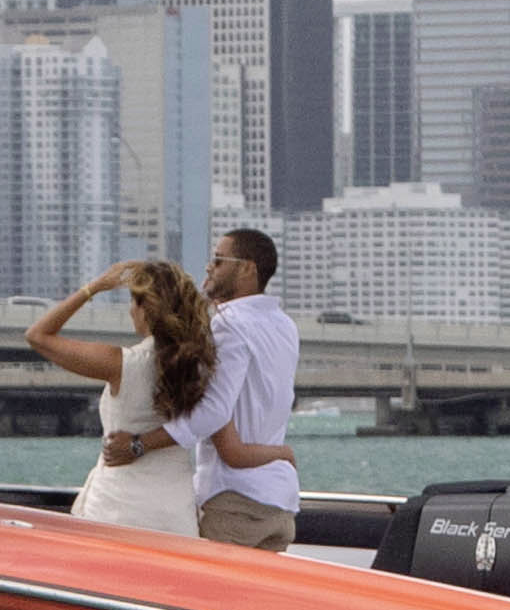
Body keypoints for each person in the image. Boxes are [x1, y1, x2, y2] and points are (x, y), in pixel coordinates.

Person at [22, 258, 216, 534]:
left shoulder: (123, 364)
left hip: (117, 508)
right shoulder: (200, 365)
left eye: (133, 302)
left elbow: (37, 335)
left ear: (145, 309)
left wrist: (95, 287)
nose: (130, 310)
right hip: (175, 512)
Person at [178, 224, 304, 549]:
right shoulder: (285, 326)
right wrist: (281, 452)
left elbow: (217, 412)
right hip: (279, 503)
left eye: (219, 260)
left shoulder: (228, 325)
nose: (209, 267)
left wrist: (143, 442)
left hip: (233, 501)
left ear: (248, 269)